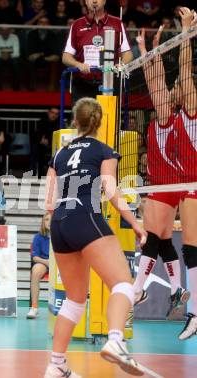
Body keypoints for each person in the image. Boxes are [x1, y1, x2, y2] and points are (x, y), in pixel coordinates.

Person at [44, 97, 147, 377]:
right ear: (100, 122)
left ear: (75, 121)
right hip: (85, 216)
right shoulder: (104, 149)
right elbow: (110, 190)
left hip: (60, 224)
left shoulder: (60, 154)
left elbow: (49, 200)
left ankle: (56, 364)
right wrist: (135, 223)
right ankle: (116, 341)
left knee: (75, 299)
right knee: (123, 284)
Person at [132, 24, 190, 324]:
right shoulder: (167, 116)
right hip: (167, 183)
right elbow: (156, 83)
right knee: (164, 242)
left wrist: (146, 53)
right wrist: (148, 52)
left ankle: (138, 290)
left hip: (167, 184)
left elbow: (155, 84)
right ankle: (178, 290)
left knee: (151, 239)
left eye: (174, 88)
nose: (168, 90)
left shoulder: (169, 117)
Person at [175, 7, 197, 340]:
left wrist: (186, 31)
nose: (177, 87)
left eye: (180, 85)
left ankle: (194, 313)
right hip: (188, 185)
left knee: (192, 249)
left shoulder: (191, 110)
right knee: (191, 250)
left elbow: (184, 68)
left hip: (194, 186)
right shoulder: (181, 115)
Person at [62, 0, 133, 104]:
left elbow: (128, 53)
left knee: (108, 120)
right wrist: (78, 64)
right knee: (83, 120)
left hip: (110, 84)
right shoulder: (77, 24)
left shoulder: (117, 23)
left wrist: (121, 65)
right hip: (82, 86)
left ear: (104, 1)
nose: (94, 1)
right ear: (85, 2)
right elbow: (66, 56)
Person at [27, 212, 51, 319]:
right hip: (44, 263)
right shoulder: (38, 237)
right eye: (46, 219)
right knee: (35, 271)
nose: (49, 222)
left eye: (51, 219)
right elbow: (35, 257)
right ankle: (34, 307)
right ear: (43, 222)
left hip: (59, 264)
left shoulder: (61, 235)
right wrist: (47, 262)